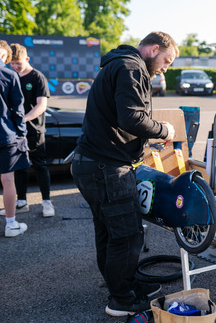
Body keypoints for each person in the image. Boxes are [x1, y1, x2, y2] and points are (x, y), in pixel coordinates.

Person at [71, 32, 178, 317]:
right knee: (127, 235)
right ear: (154, 49)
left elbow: (123, 118)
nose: (166, 68)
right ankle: (121, 300)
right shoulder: (130, 67)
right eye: (166, 60)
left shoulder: (118, 64)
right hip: (106, 167)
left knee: (109, 232)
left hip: (94, 164)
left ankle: (123, 286)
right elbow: (130, 116)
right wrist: (163, 130)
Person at [9, 43, 53, 217]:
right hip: (15, 131)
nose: (15, 66)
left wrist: (23, 119)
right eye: (11, 63)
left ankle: (47, 202)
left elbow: (41, 105)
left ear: (27, 59)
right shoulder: (12, 76)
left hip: (35, 131)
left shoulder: (37, 77)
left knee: (40, 166)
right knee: (19, 166)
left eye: (18, 63)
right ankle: (22, 201)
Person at [0, 40, 30, 237]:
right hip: (6, 134)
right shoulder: (9, 74)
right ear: (4, 57)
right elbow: (18, 109)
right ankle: (11, 224)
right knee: (8, 180)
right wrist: (22, 133)